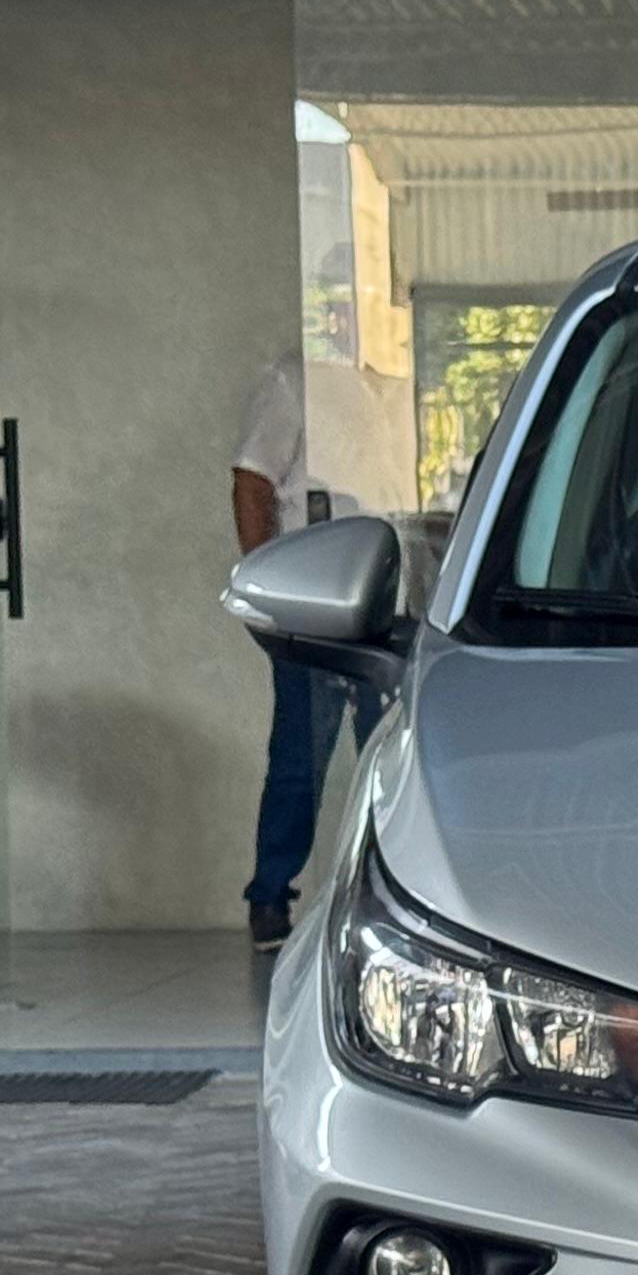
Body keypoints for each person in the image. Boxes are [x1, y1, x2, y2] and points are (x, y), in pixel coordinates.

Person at [234, 346, 420, 946]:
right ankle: (270, 894)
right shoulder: (297, 378)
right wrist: (266, 586)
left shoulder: (400, 382)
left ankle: (392, 894)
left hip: (388, 598)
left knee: (390, 757)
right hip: (314, 596)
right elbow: (252, 483)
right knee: (301, 758)